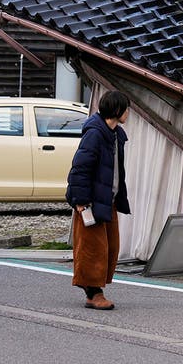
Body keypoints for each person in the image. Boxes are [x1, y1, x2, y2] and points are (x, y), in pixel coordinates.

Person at [66, 90, 131, 310]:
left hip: (107, 199)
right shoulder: (95, 134)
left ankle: (96, 290)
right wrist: (80, 200)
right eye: (126, 108)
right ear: (118, 110)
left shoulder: (114, 134)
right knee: (93, 248)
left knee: (110, 247)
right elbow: (80, 168)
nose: (128, 113)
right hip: (91, 201)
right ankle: (94, 294)